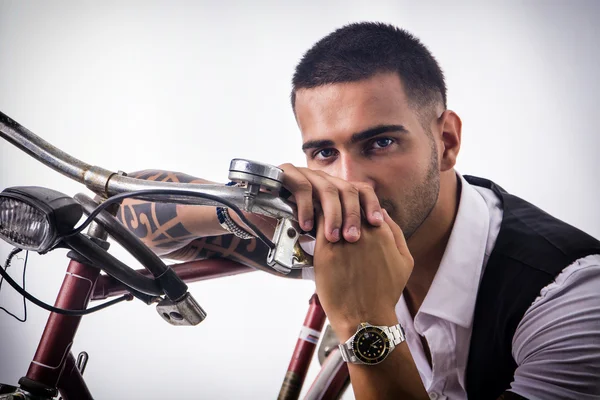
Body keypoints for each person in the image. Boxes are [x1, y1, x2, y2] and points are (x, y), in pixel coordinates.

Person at [118, 22, 600, 399]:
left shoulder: (574, 298)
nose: (349, 182)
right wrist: (251, 211)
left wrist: (363, 319)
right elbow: (123, 214)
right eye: (324, 153)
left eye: (381, 142)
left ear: (446, 141)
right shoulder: (326, 223)